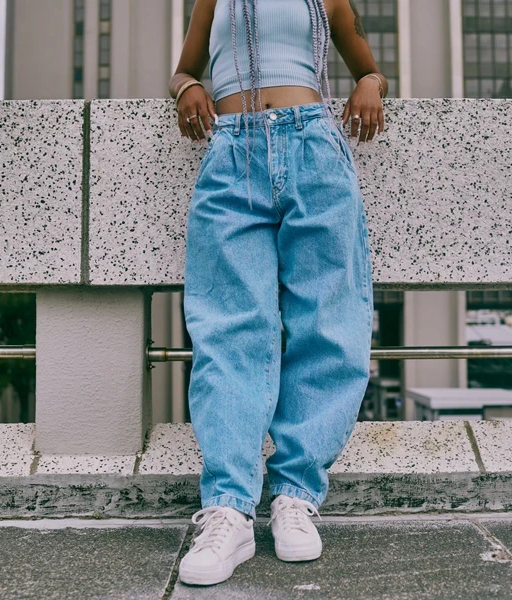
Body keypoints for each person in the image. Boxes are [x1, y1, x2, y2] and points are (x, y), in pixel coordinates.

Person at [169, 0, 386, 586]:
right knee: (229, 328)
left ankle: (294, 494)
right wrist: (187, 87)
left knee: (329, 322)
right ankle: (229, 509)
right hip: (230, 151)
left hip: (314, 145)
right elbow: (184, 69)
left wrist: (370, 83)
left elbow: (367, 65)